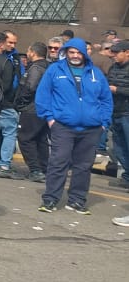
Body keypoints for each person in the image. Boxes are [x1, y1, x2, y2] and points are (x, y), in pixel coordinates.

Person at [35, 37, 113, 215]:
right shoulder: (55, 70)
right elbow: (43, 95)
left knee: (83, 166)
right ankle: (50, 199)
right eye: (72, 52)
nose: (75, 55)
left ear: (85, 54)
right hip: (63, 125)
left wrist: (104, 122)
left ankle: (77, 200)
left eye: (79, 52)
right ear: (66, 53)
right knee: (58, 163)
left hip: (91, 128)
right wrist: (49, 118)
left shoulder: (95, 73)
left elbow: (106, 99)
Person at [0, 31, 21, 178]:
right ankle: (4, 164)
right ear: (1, 44)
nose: (10, 46)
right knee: (10, 131)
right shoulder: (6, 62)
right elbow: (7, 86)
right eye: (8, 43)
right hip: (2, 103)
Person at [15, 42, 51, 182]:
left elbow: (30, 87)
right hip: (42, 109)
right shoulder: (48, 67)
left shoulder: (35, 68)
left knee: (25, 138)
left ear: (32, 52)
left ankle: (36, 170)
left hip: (31, 109)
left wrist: (20, 103)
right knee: (40, 138)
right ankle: (44, 168)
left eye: (28, 51)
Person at [108, 40, 129, 194]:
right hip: (115, 111)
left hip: (127, 112)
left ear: (127, 52)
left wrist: (117, 90)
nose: (113, 55)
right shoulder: (113, 67)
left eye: (117, 52)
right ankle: (127, 177)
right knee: (119, 147)